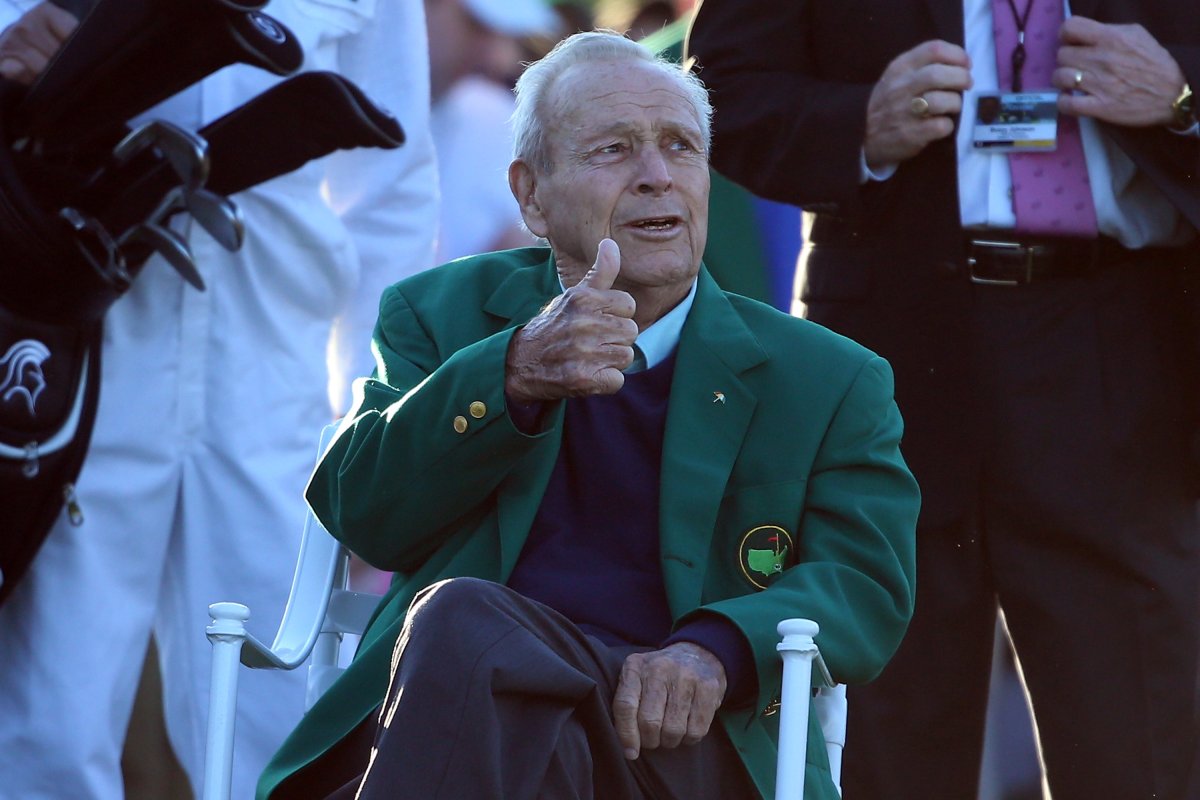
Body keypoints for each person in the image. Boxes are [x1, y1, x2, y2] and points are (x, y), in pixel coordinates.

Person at [256, 29, 920, 800]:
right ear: (531, 195)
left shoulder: (827, 376)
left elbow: (866, 581)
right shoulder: (441, 316)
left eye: (680, 146)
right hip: (483, 729)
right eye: (613, 149)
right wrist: (512, 374)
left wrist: (715, 650)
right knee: (476, 641)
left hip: (679, 744)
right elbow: (363, 513)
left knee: (463, 621)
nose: (655, 177)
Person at [687, 2, 1200, 799]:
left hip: (1121, 346)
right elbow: (722, 87)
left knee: (1139, 742)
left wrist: (1183, 96)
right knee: (886, 741)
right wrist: (855, 124)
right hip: (890, 342)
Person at [0, 1, 438, 799]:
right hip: (73, 351)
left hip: (278, 373)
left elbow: (392, 187)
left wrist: (376, 425)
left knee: (277, 721)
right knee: (46, 722)